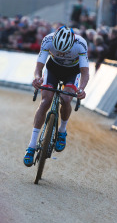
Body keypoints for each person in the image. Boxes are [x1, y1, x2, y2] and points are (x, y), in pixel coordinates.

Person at [23, 26, 89, 167]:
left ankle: (62, 131)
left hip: (72, 72)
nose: (61, 53)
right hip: (53, 69)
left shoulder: (80, 44)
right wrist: (37, 78)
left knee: (66, 99)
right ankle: (31, 146)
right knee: (46, 101)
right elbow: (39, 68)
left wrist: (82, 89)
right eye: (58, 50)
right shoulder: (47, 40)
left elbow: (84, 72)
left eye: (64, 51)